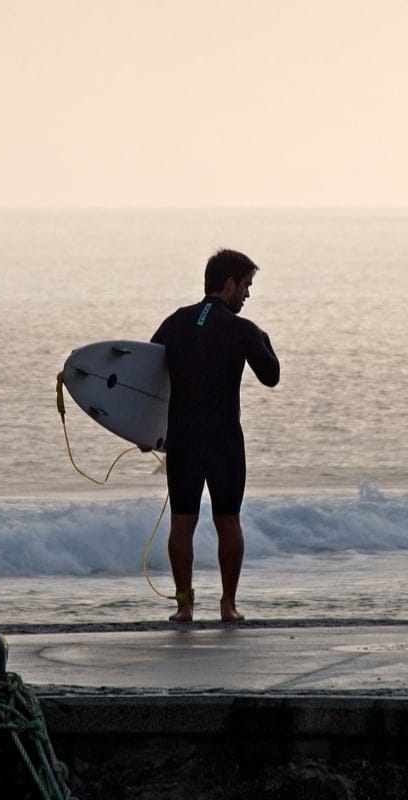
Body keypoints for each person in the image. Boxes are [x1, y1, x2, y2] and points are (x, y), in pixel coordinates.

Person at [151, 249, 280, 623]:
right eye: (246, 286)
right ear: (228, 284)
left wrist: (146, 431)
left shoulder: (175, 322)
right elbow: (271, 375)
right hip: (224, 441)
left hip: (183, 440)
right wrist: (264, 339)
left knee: (182, 523)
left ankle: (184, 607)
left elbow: (146, 375)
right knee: (229, 521)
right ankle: (228, 605)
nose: (247, 295)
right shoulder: (243, 330)